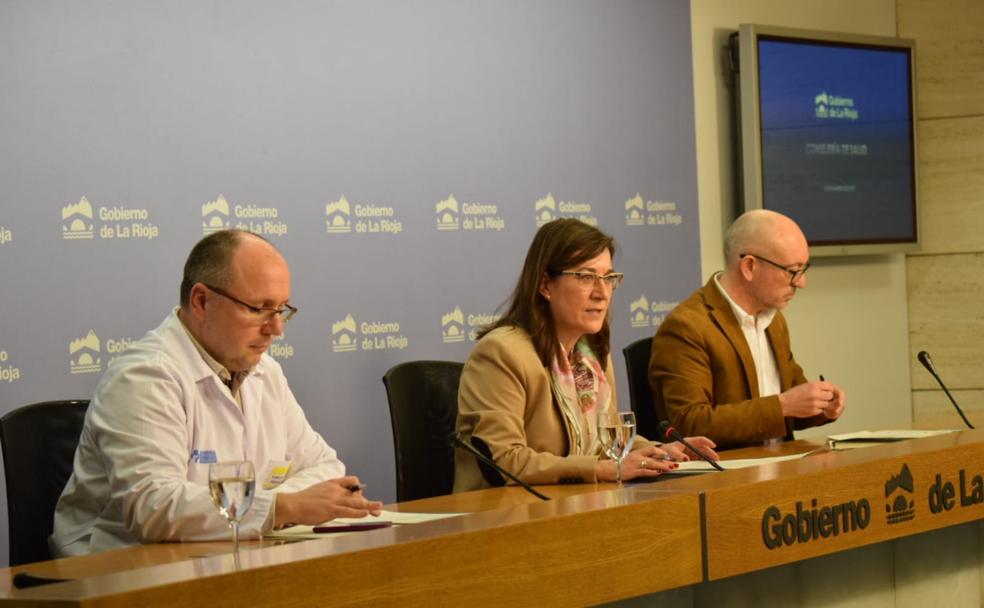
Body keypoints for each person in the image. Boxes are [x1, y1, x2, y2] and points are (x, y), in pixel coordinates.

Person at [51, 229, 381, 556]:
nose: (276, 329)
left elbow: (325, 467)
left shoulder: (265, 371)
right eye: (258, 309)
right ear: (202, 301)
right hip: (114, 574)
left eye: (281, 310)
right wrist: (282, 507)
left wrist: (280, 506)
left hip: (226, 558)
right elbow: (153, 507)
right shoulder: (144, 376)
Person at [454, 219, 717, 492]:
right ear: (545, 285)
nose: (602, 293)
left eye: (608, 278)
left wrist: (663, 452)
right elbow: (503, 460)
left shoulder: (591, 355)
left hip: (574, 506)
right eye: (586, 277)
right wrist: (602, 469)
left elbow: (606, 441)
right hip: (502, 517)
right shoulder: (501, 353)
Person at [649, 209, 846, 449]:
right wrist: (783, 405)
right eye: (792, 271)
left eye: (804, 270)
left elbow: (792, 404)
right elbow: (689, 424)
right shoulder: (687, 327)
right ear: (750, 266)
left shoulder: (774, 321)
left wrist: (821, 406)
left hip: (782, 467)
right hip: (725, 477)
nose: (801, 282)